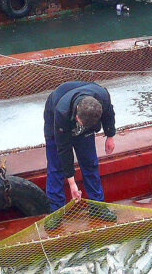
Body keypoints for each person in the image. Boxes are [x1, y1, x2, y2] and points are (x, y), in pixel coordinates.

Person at [43, 81, 118, 229]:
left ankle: (97, 207)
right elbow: (63, 149)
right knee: (56, 167)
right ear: (77, 112)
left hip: (84, 113)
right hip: (56, 119)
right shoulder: (61, 111)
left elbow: (109, 114)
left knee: (89, 162)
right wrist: (72, 183)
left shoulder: (102, 96)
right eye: (81, 124)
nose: (81, 128)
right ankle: (56, 211)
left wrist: (110, 136)